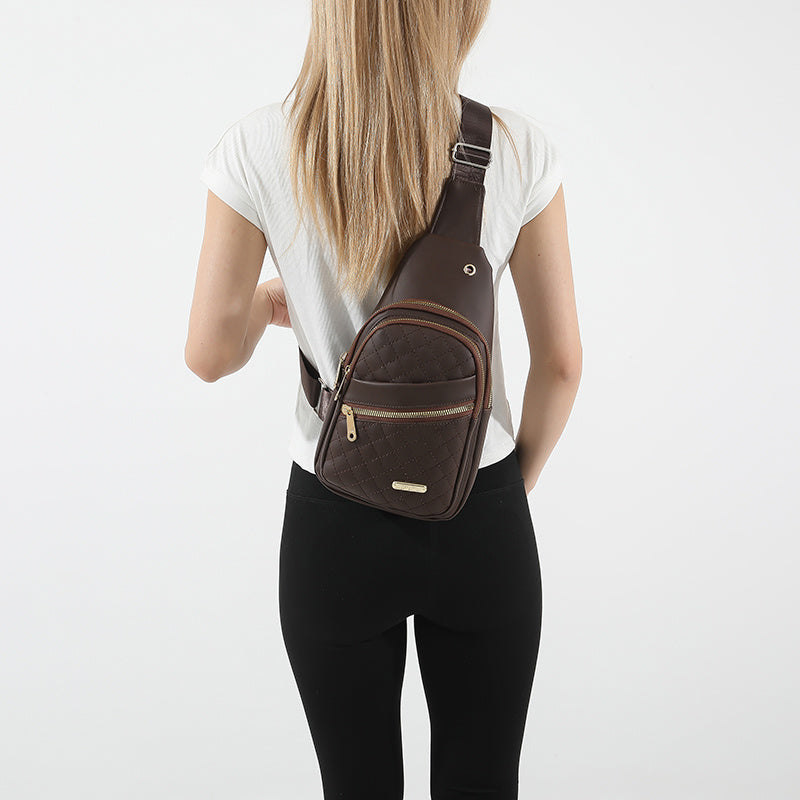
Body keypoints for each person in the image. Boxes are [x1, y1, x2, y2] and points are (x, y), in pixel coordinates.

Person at [185, 2, 582, 797]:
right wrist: (502, 491)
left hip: (334, 515)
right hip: (479, 510)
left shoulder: (260, 146)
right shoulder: (515, 148)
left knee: (355, 784)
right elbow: (562, 365)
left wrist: (266, 305)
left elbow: (209, 355)